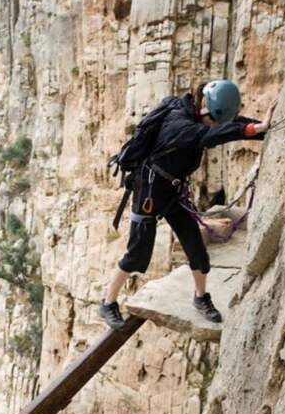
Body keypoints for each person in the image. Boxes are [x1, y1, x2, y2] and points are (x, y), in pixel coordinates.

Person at [99, 79, 276, 330]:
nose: (216, 124)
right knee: (137, 252)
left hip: (172, 191)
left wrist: (262, 128)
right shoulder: (180, 125)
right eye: (215, 120)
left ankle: (201, 297)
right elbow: (213, 134)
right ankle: (107, 302)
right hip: (149, 191)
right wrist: (254, 130)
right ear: (206, 111)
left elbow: (227, 124)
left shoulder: (199, 112)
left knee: (196, 249)